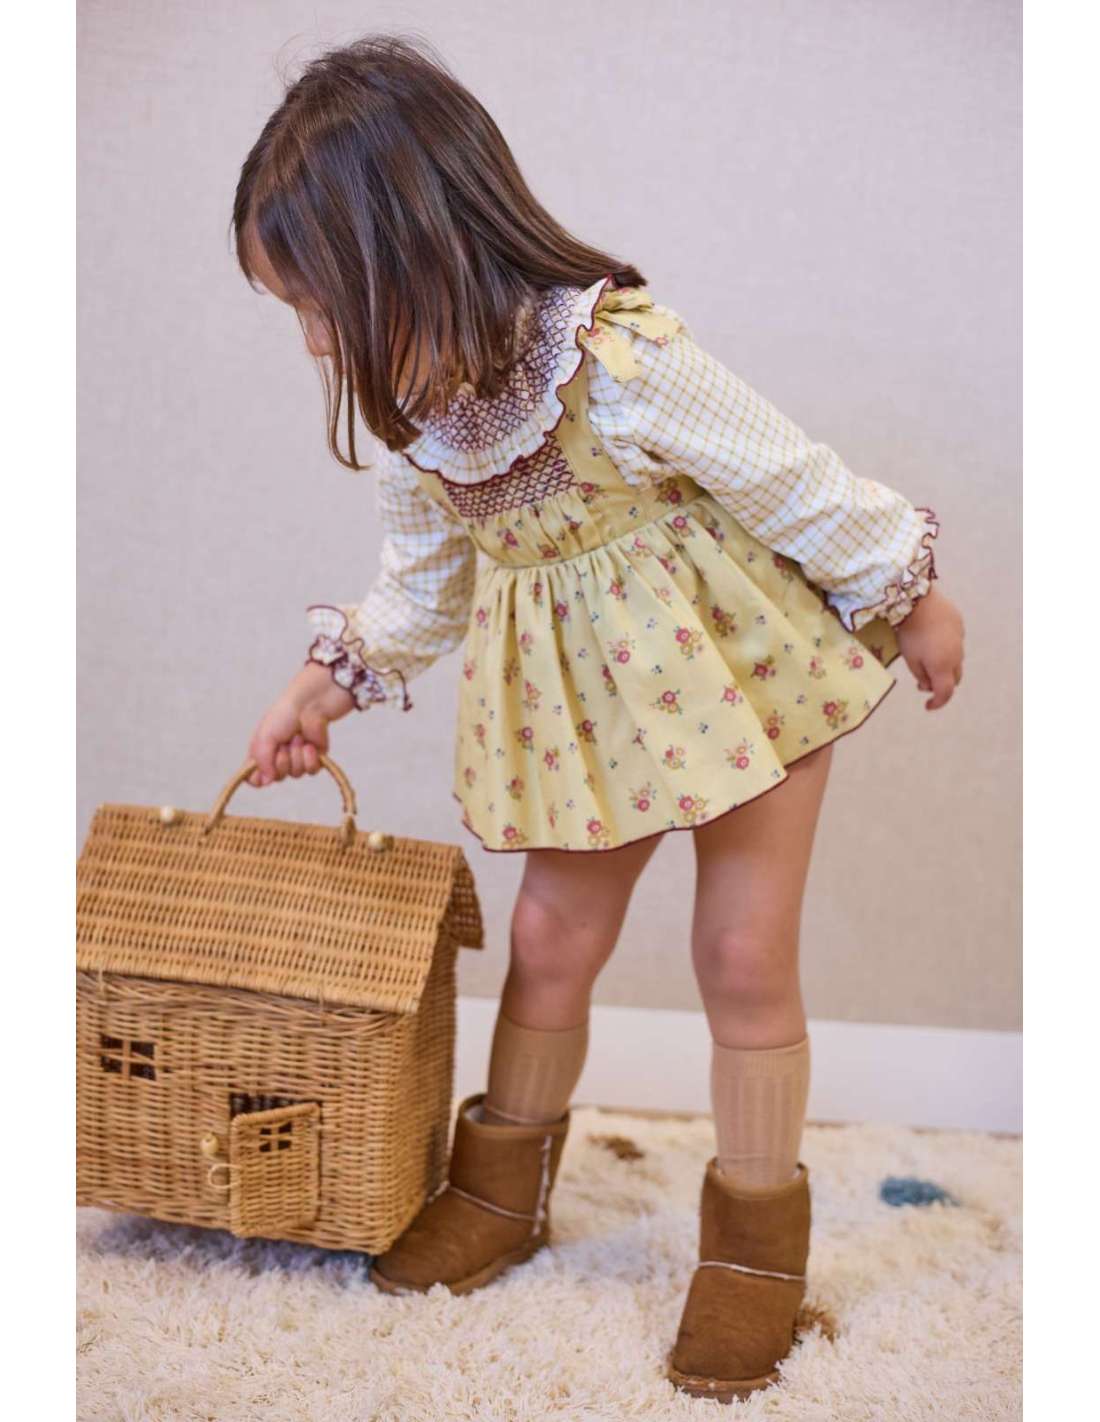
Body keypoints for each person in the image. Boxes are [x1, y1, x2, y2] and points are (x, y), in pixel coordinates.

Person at [233, 33, 964, 1404]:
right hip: (586, 721)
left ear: (416, 250)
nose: (318, 342)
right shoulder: (420, 425)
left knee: (741, 953)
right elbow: (424, 589)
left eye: (323, 305)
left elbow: (784, 475)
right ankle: (499, 1189)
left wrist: (909, 591)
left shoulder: (615, 356)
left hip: (740, 678)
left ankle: (753, 1248)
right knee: (549, 940)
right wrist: (322, 685)